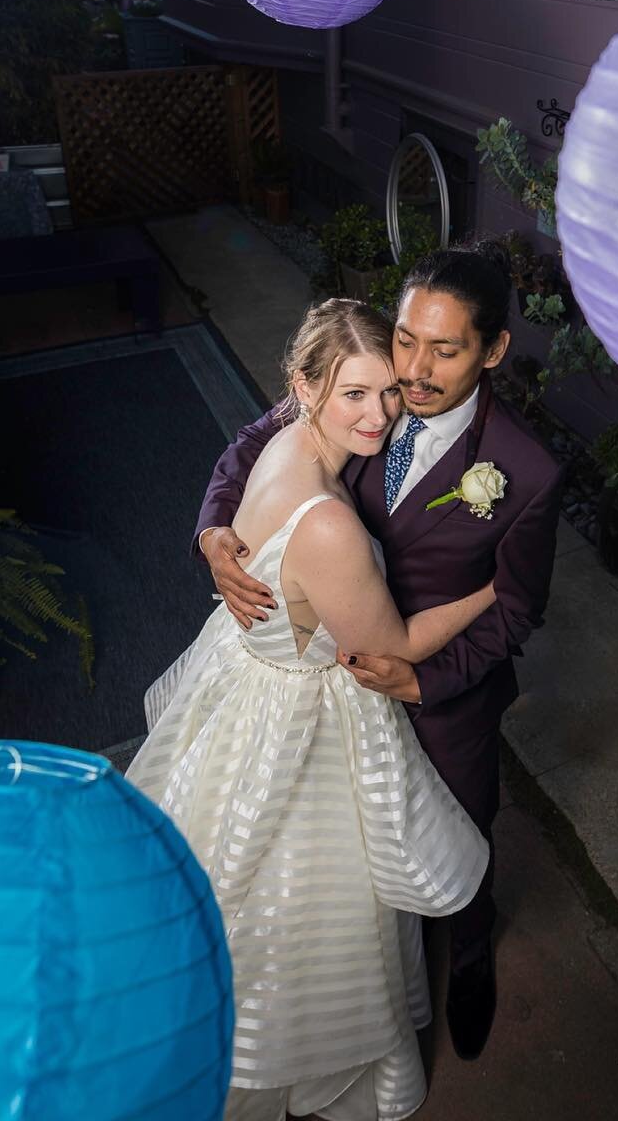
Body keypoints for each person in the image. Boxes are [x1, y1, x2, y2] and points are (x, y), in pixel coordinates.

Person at [197, 240, 565, 1064]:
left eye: (446, 349)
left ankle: (471, 958)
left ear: (494, 349)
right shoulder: (363, 389)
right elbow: (249, 448)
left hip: (442, 705)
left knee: (462, 837)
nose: (417, 371)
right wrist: (216, 533)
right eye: (406, 339)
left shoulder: (528, 474)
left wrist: (427, 678)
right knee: (348, 855)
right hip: (328, 696)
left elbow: (517, 610)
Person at [126, 298, 491, 1121]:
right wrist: (497, 590)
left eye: (389, 391)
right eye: (355, 395)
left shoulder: (291, 443)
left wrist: (224, 535)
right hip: (302, 709)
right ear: (304, 385)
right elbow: (391, 642)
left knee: (228, 879)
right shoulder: (324, 520)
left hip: (247, 675)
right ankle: (286, 1056)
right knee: (303, 911)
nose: (382, 414)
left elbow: (252, 473)